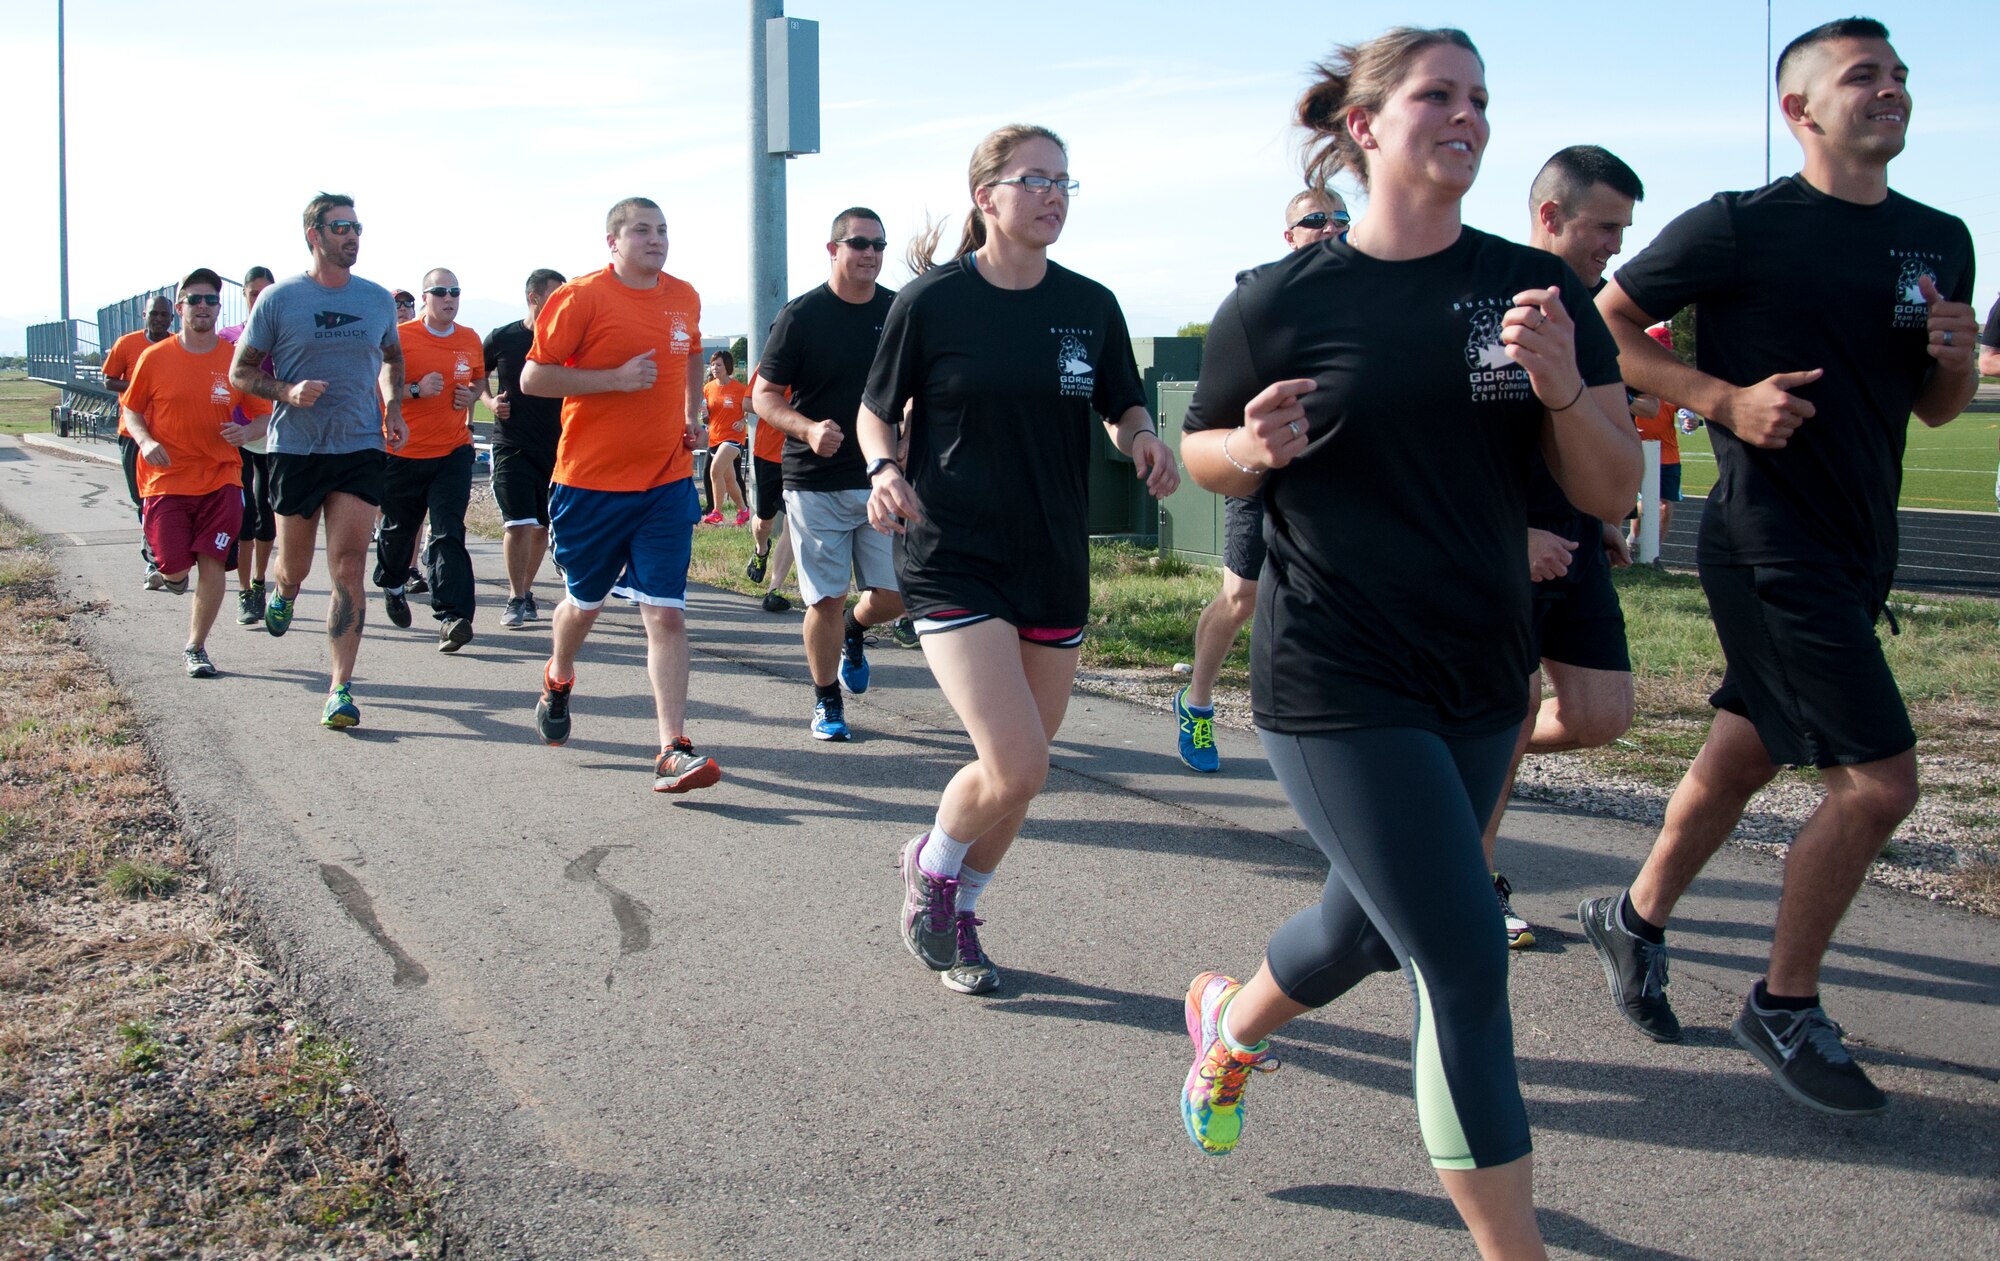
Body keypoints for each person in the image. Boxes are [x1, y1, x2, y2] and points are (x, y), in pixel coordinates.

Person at [1175, 30, 1638, 1261]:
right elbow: (1201, 451)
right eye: (1437, 94)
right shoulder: (1279, 301)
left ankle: (1228, 1024)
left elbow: (1605, 488)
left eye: (1480, 98)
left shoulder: (1534, 294)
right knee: (1462, 957)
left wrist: (1553, 388)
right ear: (1367, 126)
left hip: (1481, 667)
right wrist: (1252, 452)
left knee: (1367, 928)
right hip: (1335, 673)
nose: (1466, 116)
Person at [1585, 16, 1977, 1117]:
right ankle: (1781, 1001)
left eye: (1898, 75)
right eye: (1863, 76)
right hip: (1767, 542)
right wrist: (1717, 400)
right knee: (1878, 783)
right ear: (1797, 109)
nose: (1889, 90)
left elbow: (1932, 408)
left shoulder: (1938, 237)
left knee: (1745, 750)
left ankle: (1633, 918)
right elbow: (1603, 321)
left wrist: (1950, 362)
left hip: (1860, 542)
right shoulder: (1737, 225)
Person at [859, 126, 1179, 995]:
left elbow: (1122, 403)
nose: (1054, 195)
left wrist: (1145, 439)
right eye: (1035, 179)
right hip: (953, 549)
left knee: (1022, 772)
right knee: (1019, 760)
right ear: (985, 196)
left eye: (1066, 182)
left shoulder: (1090, 304)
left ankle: (963, 908)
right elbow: (876, 410)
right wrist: (885, 469)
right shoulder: (932, 302)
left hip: (1051, 552)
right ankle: (934, 864)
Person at [1481, 145, 1646, 950]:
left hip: (1576, 538)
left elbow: (1607, 431)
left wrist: (1599, 509)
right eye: (1603, 226)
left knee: (1600, 713)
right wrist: (1509, 533)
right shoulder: (1480, 295)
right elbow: (1440, 448)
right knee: (1506, 712)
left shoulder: (1582, 308)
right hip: (1493, 546)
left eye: (1623, 229)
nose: (1614, 245)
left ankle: (1455, 763)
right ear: (1551, 216)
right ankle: (1472, 876)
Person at [521, 196, 721, 794]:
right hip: (589, 483)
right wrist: (613, 380)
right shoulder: (580, 298)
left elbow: (690, 354)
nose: (655, 239)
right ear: (613, 241)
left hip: (664, 479)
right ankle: (559, 675)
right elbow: (534, 377)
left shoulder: (683, 295)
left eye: (662, 230)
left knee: (665, 611)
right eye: (641, 231)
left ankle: (671, 748)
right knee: (584, 604)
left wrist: (693, 416)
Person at [1173, 187, 1349, 774]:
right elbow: (1209, 415)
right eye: (1315, 220)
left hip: (1329, 477)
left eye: (1341, 218)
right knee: (1242, 595)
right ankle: (1197, 701)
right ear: (1290, 234)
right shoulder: (1266, 302)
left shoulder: (1366, 299)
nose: (1329, 228)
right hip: (1260, 469)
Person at [229, 192, 409, 729]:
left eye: (356, 227)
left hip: (358, 446)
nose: (352, 236)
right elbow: (241, 372)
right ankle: (282, 590)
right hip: (296, 449)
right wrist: (286, 391)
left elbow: (392, 356)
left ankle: (340, 689)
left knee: (350, 567)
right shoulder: (280, 300)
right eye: (340, 228)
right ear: (314, 235)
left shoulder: (377, 299)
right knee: (297, 566)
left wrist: (394, 405)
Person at [754, 207, 910, 742]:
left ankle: (855, 630)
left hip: (880, 478)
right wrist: (805, 429)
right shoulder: (802, 316)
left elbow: (916, 389)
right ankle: (826, 701)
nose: (870, 254)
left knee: (898, 595)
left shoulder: (897, 312)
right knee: (825, 597)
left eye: (879, 245)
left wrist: (908, 433)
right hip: (815, 480)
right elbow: (764, 396)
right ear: (833, 249)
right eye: (859, 243)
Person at [121, 269, 273, 678]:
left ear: (219, 308)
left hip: (222, 477)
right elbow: (132, 409)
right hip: (166, 480)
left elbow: (263, 415)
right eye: (194, 300)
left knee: (211, 560)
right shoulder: (156, 358)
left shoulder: (236, 361)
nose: (203, 307)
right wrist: (145, 441)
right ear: (180, 306)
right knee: (174, 568)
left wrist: (247, 431)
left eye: (210, 300)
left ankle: (196, 647)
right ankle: (170, 575)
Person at [377, 269, 485, 651]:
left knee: (448, 531)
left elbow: (478, 379)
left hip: (453, 451)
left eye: (455, 291)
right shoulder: (401, 338)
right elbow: (378, 388)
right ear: (425, 297)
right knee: (398, 531)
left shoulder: (470, 338)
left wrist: (470, 395)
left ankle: (453, 616)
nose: (449, 298)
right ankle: (391, 583)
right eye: (440, 291)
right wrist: (415, 390)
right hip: (404, 452)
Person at [483, 269, 565, 629]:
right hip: (511, 443)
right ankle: (516, 597)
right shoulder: (503, 338)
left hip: (556, 448)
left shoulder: (567, 341)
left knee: (540, 529)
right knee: (519, 524)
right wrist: (489, 402)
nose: (562, 304)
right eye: (555, 296)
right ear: (534, 298)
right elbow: (474, 377)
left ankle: (526, 590)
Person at [102, 293, 176, 586]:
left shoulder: (177, 346)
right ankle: (154, 556)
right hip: (133, 434)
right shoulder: (127, 344)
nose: (158, 319)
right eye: (153, 314)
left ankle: (160, 559)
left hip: (169, 435)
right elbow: (108, 379)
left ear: (172, 319)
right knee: (141, 500)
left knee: (164, 499)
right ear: (144, 315)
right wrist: (140, 387)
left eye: (164, 315)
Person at [218, 267, 278, 625]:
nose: (260, 299)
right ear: (243, 296)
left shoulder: (284, 335)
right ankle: (245, 592)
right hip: (239, 437)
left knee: (267, 515)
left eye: (266, 293)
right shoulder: (228, 338)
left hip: (276, 436)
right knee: (245, 516)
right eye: (254, 293)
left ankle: (259, 583)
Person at [1626, 324, 1685, 554]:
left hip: (1668, 453)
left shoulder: (1675, 379)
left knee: (1664, 506)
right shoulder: (1633, 374)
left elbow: (1685, 409)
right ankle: (1633, 540)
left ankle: (1652, 555)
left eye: (1665, 350)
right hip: (1635, 449)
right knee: (1636, 504)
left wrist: (1687, 417)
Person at [743, 368, 797, 613]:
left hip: (799, 455)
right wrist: (780, 406)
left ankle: (774, 590)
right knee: (765, 521)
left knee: (794, 522)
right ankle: (760, 549)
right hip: (768, 454)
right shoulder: (772, 365)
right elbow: (747, 401)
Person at [700, 350, 751, 526]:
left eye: (718, 364)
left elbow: (752, 409)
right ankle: (744, 511)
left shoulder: (739, 389)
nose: (714, 368)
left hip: (733, 438)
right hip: (715, 437)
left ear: (727, 366)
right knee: (729, 479)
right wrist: (704, 415)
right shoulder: (707, 388)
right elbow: (707, 417)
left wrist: (742, 420)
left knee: (715, 470)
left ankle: (717, 513)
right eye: (713, 364)